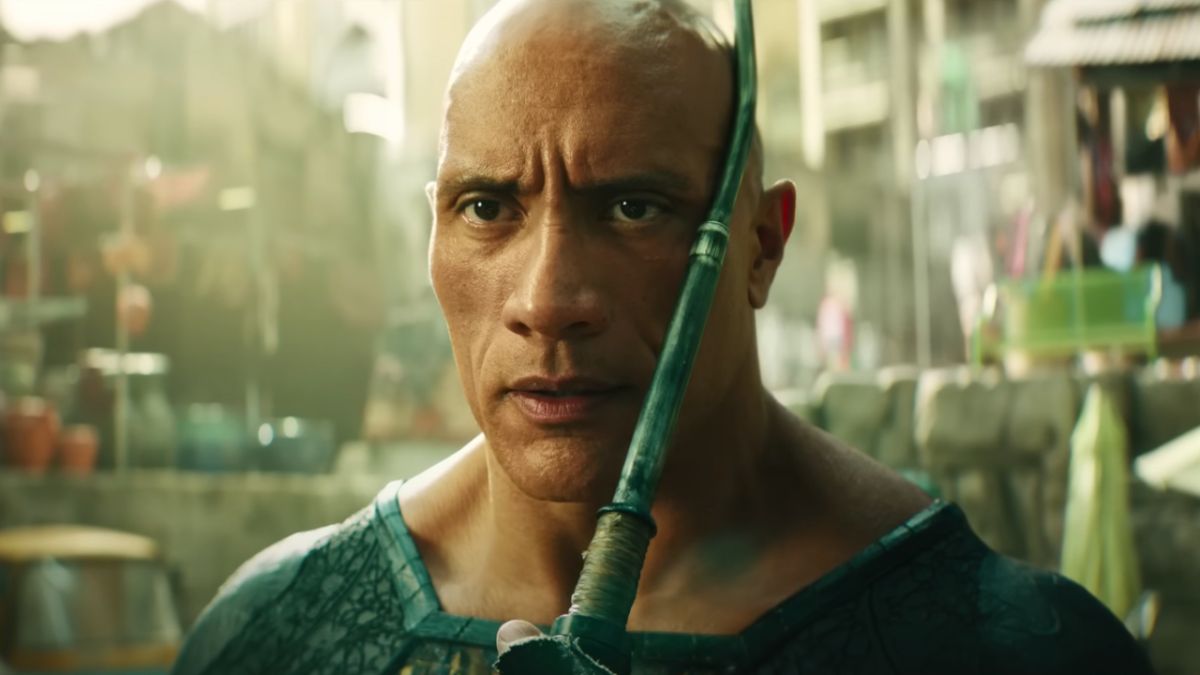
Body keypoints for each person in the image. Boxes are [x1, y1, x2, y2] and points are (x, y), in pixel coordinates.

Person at [170, 1, 1155, 673]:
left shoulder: (1004, 643)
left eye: (633, 207)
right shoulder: (281, 630)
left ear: (761, 244)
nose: (549, 300)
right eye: (488, 207)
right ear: (434, 230)